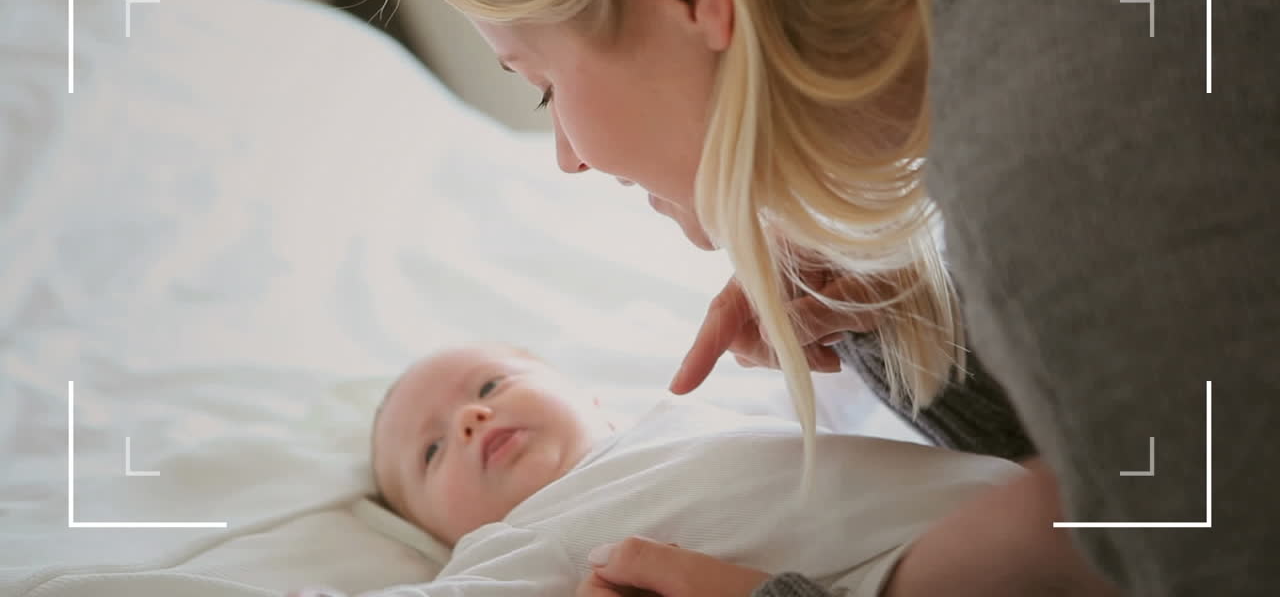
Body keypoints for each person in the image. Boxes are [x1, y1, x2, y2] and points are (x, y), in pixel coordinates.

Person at [409, 0, 1279, 595]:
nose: (565, 157)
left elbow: (1211, 552)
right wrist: (907, 314)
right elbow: (1138, 483)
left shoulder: (1049, 125)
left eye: (540, 85)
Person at [296, 342, 1024, 597]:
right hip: (905, 568)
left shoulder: (698, 407)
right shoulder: (524, 541)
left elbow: (841, 393)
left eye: (489, 387)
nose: (470, 419)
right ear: (445, 534)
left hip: (984, 495)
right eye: (430, 453)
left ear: (592, 397)